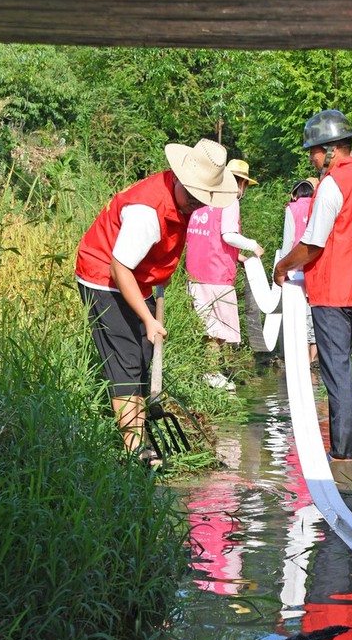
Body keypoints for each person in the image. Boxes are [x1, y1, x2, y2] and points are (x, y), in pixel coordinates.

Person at [76, 138, 238, 466]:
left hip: (139, 275)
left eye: (203, 199)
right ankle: (135, 449)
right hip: (104, 275)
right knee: (125, 359)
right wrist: (149, 319)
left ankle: (138, 428)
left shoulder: (182, 199)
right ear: (177, 177)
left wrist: (159, 283)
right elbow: (119, 268)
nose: (196, 204)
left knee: (142, 355)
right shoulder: (146, 211)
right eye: (192, 196)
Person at [274, 110, 352, 462]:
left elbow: (312, 244)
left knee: (336, 371)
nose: (311, 158)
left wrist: (282, 265)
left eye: (314, 151)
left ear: (331, 149)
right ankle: (345, 447)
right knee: (341, 365)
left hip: (334, 292)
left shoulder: (333, 185)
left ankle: (342, 455)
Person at [185, 157, 264, 389]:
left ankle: (205, 372)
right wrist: (253, 245)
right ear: (241, 183)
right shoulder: (229, 200)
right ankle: (211, 373)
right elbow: (228, 234)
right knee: (216, 329)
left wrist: (237, 257)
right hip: (216, 275)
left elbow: (210, 236)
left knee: (203, 327)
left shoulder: (203, 199)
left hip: (195, 273)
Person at [279, 176, 319, 363]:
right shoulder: (318, 205)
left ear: (295, 195)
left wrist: (282, 267)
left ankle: (303, 362)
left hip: (296, 268)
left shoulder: (292, 208)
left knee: (300, 315)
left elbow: (288, 240)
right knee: (315, 313)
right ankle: (314, 359)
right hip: (316, 267)